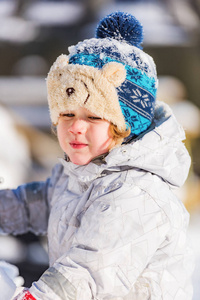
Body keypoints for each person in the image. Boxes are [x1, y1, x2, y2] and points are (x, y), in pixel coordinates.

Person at [0, 11, 194, 300]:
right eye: (67, 113)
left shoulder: (137, 195)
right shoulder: (82, 173)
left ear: (126, 126)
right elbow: (41, 204)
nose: (76, 127)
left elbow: (87, 274)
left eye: (92, 117)